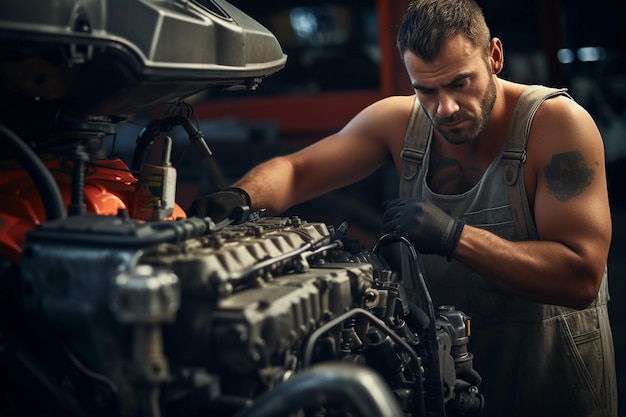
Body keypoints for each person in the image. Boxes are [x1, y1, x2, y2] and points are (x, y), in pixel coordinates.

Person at [190, 0, 618, 415]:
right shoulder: (400, 123)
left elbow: (580, 277)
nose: (444, 108)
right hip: (449, 387)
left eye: (460, 83)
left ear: (495, 56)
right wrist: (241, 196)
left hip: (553, 384)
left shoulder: (558, 125)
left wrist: (456, 238)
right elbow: (298, 172)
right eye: (425, 89)